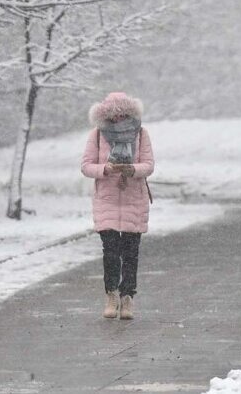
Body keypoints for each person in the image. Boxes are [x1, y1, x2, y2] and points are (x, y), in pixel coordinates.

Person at [80, 92, 154, 320]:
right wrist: (105, 169)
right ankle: (111, 294)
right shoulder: (97, 135)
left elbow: (149, 165)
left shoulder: (141, 133)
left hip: (134, 199)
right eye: (114, 114)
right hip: (107, 200)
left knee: (131, 253)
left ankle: (127, 297)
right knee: (111, 252)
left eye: (123, 114)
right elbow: (85, 166)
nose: (119, 118)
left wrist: (133, 169)